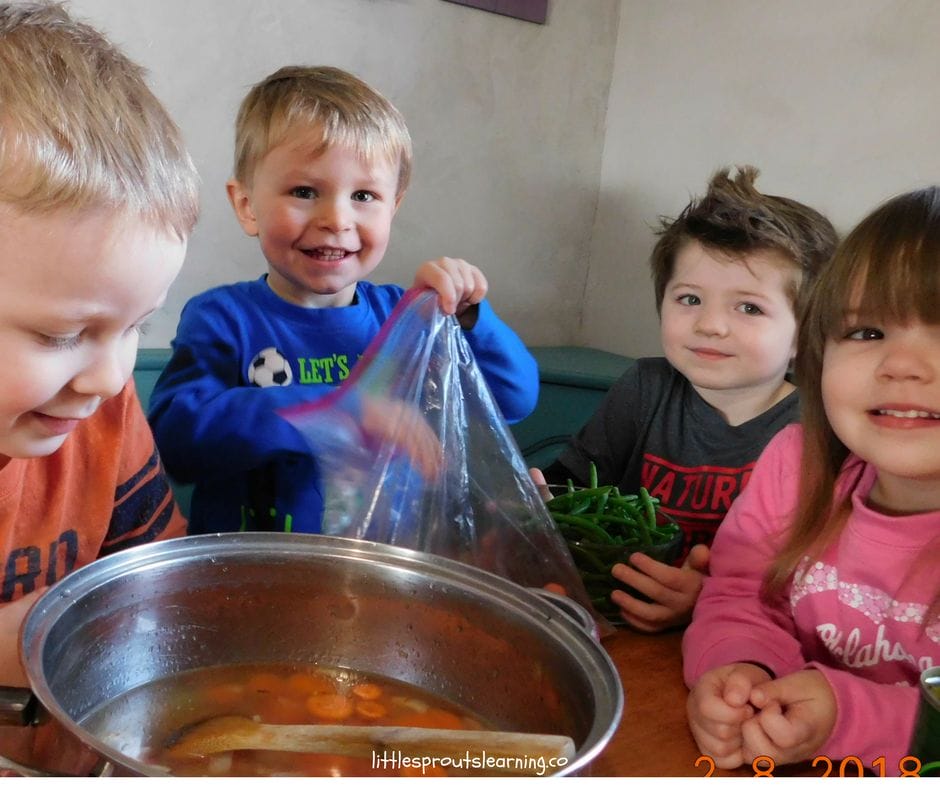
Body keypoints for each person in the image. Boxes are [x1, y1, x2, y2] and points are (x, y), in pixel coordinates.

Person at [148, 65, 538, 536]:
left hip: (379, 574)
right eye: (305, 191)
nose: (337, 218)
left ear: (393, 206)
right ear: (247, 204)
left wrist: (472, 317)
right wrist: (328, 411)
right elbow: (176, 442)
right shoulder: (223, 318)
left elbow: (514, 398)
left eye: (364, 195)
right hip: (252, 579)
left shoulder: (407, 318)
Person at [0, 0, 198, 767]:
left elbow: (148, 584)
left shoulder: (103, 410)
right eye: (61, 334)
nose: (113, 374)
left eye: (138, 324)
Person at [683, 185, 940, 773]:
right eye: (867, 333)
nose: (900, 365)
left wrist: (845, 716)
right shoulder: (797, 465)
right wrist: (744, 671)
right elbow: (740, 592)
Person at [538, 166, 837, 632]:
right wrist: (537, 499)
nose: (710, 325)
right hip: (610, 608)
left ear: (806, 334)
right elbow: (570, 484)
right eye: (690, 299)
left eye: (750, 307)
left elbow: (817, 583)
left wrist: (708, 599)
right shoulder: (644, 387)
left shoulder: (818, 426)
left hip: (737, 637)